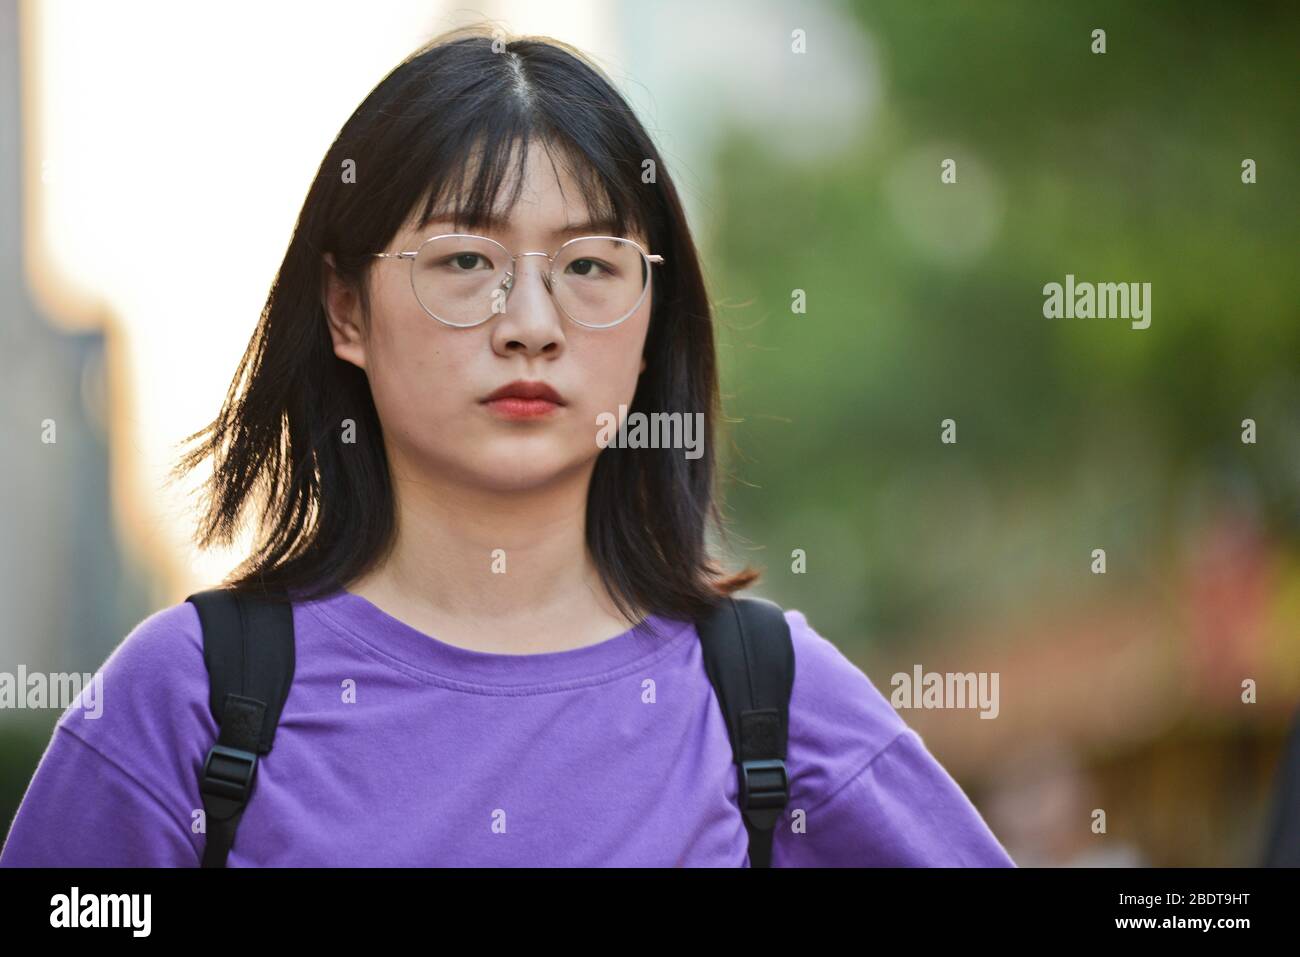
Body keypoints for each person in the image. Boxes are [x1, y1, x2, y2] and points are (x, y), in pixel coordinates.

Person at [0, 26, 1014, 867]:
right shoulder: (188, 704)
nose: (529, 321)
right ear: (346, 309)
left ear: (652, 315)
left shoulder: (769, 703)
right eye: (464, 259)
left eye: (588, 264)